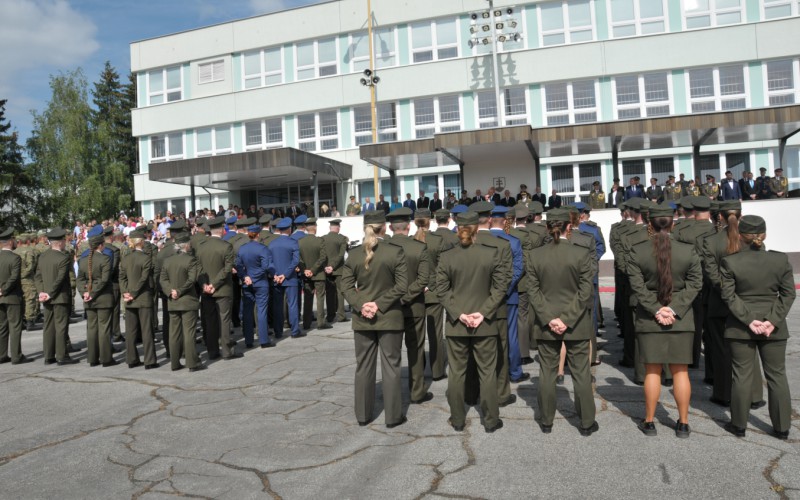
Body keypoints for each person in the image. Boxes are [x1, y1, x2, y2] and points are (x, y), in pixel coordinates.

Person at [627, 203, 702, 438]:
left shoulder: (637, 251)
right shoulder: (688, 250)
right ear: (673, 223)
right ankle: (683, 423)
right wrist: (674, 309)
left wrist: (657, 309)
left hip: (650, 319)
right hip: (681, 319)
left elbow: (637, 286)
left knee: (652, 371)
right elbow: (695, 284)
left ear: (649, 224)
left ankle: (649, 422)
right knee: (680, 372)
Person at [720, 215, 795, 440]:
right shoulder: (780, 260)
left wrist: (750, 320)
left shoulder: (730, 262)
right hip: (774, 326)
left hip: (740, 326)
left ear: (739, 236)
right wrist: (772, 320)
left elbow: (728, 296)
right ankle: (782, 428)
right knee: (777, 375)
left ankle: (739, 425)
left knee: (742, 375)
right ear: (764, 235)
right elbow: (788, 294)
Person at [434, 210, 506, 432]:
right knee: (487, 373)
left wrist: (459, 314)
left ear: (458, 229)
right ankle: (491, 420)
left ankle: (457, 419)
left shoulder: (447, 256)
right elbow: (500, 288)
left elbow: (441, 290)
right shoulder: (491, 254)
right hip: (484, 324)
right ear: (477, 229)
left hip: (457, 324)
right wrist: (483, 313)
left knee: (456, 373)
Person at [527, 208, 598, 435]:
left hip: (547, 322)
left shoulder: (535, 255)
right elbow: (585, 291)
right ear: (570, 226)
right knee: (581, 373)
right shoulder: (581, 253)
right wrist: (566, 319)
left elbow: (533, 291)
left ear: (548, 228)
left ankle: (546, 420)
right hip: (576, 321)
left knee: (547, 373)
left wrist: (550, 319)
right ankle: (586, 422)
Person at [340, 210, 408, 428]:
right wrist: (378, 304)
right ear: (384, 227)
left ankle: (362, 415)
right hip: (389, 316)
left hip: (363, 318)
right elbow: (402, 286)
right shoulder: (395, 252)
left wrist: (362, 305)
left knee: (363, 367)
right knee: (391, 366)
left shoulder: (354, 254)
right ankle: (393, 417)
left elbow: (345, 286)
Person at [701, 201, 765, 407]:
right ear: (740, 214)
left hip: (721, 303)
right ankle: (754, 396)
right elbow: (758, 270)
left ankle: (724, 393)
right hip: (748, 302)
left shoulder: (711, 241)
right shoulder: (752, 239)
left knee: (722, 350)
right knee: (750, 350)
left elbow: (712, 276)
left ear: (719, 216)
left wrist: (729, 294)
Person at [386, 207, 432, 404]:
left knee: (391, 353)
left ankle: (392, 395)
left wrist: (395, 298)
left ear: (390, 227)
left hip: (390, 307)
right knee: (416, 349)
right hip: (414, 306)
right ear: (409, 226)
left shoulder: (383, 247)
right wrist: (406, 297)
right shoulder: (418, 247)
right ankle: (417, 391)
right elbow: (423, 280)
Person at [194, 216, 243, 361]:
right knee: (224, 320)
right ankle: (227, 351)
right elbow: (227, 268)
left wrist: (205, 284)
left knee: (210, 321)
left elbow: (198, 269)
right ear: (221, 230)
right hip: (222, 289)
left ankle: (212, 351)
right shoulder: (226, 246)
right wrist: (214, 285)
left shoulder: (201, 247)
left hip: (206, 290)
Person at [160, 228, 206, 372]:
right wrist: (179, 291)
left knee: (174, 333)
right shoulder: (190, 260)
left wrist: (170, 291)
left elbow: (163, 280)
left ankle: (174, 363)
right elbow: (192, 280)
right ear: (186, 245)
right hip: (187, 300)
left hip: (173, 301)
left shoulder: (168, 261)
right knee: (189, 332)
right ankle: (192, 363)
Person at [34, 228, 78, 365]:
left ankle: (48, 356)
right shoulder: (63, 258)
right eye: (64, 240)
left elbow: (38, 277)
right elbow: (60, 279)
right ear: (60, 243)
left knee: (48, 327)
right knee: (61, 327)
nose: (65, 243)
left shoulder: (43, 256)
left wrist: (42, 292)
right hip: (59, 297)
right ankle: (61, 356)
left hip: (46, 297)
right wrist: (50, 293)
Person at [77, 225, 116, 367]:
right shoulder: (105, 259)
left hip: (89, 298)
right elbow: (105, 280)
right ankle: (106, 358)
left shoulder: (83, 260)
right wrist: (92, 293)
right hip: (103, 297)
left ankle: (92, 358)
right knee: (104, 328)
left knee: (92, 328)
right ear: (101, 245)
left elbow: (80, 280)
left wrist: (85, 293)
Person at [119, 229, 157, 369]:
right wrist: (133, 293)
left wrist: (125, 292)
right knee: (147, 330)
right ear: (141, 242)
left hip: (129, 298)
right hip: (142, 297)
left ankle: (131, 359)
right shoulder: (146, 258)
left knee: (131, 331)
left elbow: (122, 277)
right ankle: (149, 361)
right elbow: (144, 278)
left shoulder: (126, 258)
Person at [236, 224, 275, 348]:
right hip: (260, 283)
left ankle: (248, 340)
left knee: (247, 312)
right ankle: (264, 340)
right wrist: (254, 277)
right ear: (258, 234)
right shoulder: (262, 248)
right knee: (261, 311)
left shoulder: (242, 249)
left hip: (247, 283)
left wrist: (245, 277)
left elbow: (238, 266)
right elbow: (266, 266)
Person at [0, 227, 33, 365]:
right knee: (15, 327)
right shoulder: (15, 258)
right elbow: (14, 277)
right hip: (12, 296)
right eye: (13, 239)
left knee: (2, 327)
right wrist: (3, 290)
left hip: (1, 297)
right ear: (10, 242)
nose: (15, 242)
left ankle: (2, 355)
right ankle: (16, 356)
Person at [269, 218, 302, 338]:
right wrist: (285, 274)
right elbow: (295, 261)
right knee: (292, 305)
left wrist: (275, 274)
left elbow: (269, 262)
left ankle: (278, 332)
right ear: (289, 229)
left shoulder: (272, 244)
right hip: (290, 278)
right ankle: (294, 331)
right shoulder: (293, 242)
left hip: (276, 279)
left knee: (277, 306)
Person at [298, 217, 330, 330]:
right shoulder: (320, 241)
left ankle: (306, 323)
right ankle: (321, 323)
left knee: (308, 298)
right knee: (320, 298)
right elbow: (323, 257)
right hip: (318, 274)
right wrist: (313, 270)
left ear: (306, 228)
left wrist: (305, 270)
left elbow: (299, 258)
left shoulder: (300, 242)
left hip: (306, 275)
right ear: (315, 228)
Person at [322, 219, 348, 324]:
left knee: (329, 293)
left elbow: (322, 255)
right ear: (338, 228)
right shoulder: (342, 238)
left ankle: (330, 315)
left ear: (330, 228)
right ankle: (341, 315)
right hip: (339, 269)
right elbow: (341, 255)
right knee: (340, 292)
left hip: (326, 269)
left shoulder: (323, 238)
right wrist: (333, 266)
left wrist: (327, 266)